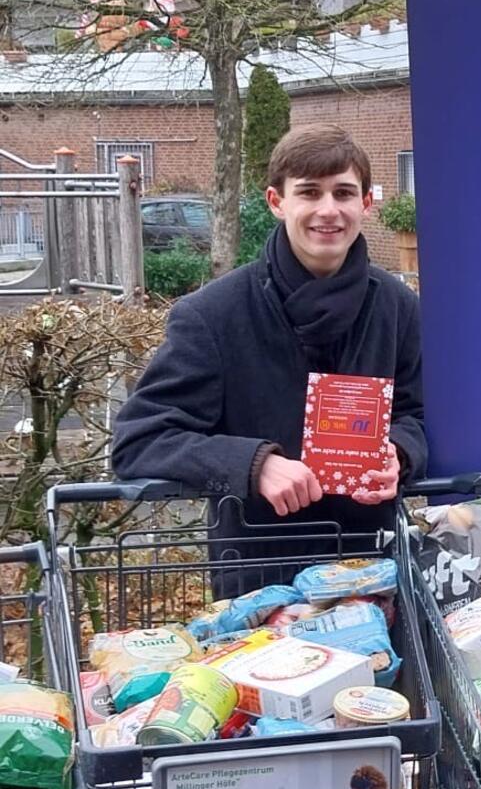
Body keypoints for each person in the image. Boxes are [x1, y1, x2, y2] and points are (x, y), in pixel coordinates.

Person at [111, 124, 427, 598]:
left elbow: (419, 413)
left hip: (373, 576)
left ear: (366, 203)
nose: (328, 210)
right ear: (277, 202)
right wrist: (253, 464)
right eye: (309, 193)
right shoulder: (213, 315)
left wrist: (399, 453)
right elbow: (140, 439)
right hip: (259, 586)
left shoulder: (399, 309)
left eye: (343, 193)